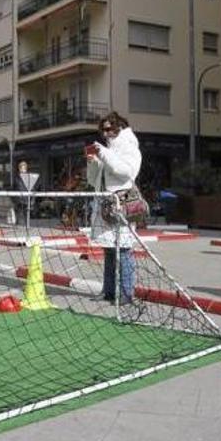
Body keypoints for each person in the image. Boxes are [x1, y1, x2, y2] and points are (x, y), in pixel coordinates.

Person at [85, 111, 142, 305]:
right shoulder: (107, 148)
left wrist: (104, 153)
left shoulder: (129, 145)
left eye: (109, 128)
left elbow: (125, 171)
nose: (106, 133)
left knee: (124, 250)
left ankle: (126, 294)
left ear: (120, 126)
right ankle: (108, 291)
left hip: (121, 203)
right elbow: (93, 180)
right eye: (103, 130)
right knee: (109, 250)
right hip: (105, 204)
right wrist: (92, 163)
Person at [13, 160, 37, 225]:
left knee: (26, 212)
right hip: (19, 198)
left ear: (26, 168)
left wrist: (32, 199)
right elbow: (14, 188)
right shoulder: (16, 177)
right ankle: (17, 224)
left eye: (23, 168)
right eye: (20, 168)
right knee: (18, 212)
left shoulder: (29, 177)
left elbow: (32, 188)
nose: (22, 169)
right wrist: (14, 198)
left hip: (26, 198)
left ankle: (27, 225)